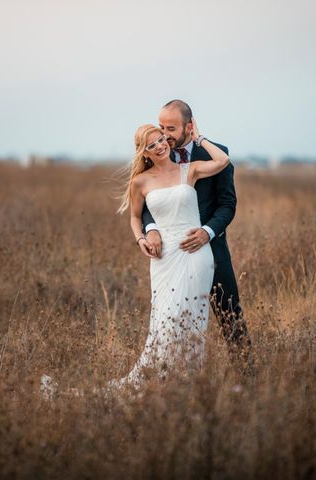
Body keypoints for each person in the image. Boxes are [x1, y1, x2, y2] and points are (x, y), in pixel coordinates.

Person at [40, 120, 230, 396]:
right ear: (144, 152)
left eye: (162, 139)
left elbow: (222, 160)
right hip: (164, 258)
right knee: (164, 320)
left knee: (193, 322)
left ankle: (186, 388)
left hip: (195, 254)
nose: (160, 146)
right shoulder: (140, 181)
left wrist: (198, 138)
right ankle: (159, 384)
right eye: (152, 144)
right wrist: (142, 238)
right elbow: (133, 216)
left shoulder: (188, 171)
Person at [142, 100, 254, 376]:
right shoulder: (156, 153)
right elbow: (145, 205)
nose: (164, 135)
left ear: (189, 127)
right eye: (161, 127)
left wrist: (207, 232)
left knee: (230, 316)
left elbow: (227, 204)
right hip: (171, 254)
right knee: (170, 319)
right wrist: (151, 229)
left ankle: (248, 380)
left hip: (211, 251)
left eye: (171, 128)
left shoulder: (215, 154)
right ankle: (172, 379)